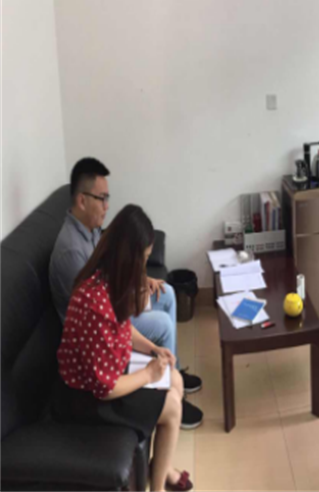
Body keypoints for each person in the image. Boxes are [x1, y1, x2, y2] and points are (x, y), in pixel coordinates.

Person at [49, 158, 203, 429]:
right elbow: (97, 312)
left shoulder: (90, 231)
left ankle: (172, 370)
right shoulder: (72, 253)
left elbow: (113, 270)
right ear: (82, 200)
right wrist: (135, 286)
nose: (107, 206)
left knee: (166, 293)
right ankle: (167, 391)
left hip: (106, 317)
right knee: (163, 322)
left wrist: (142, 277)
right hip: (94, 335)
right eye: (102, 198)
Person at [54, 205, 193, 492]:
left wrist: (153, 349)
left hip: (109, 371)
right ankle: (158, 485)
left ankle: (162, 467)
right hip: (86, 398)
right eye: (143, 258)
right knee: (171, 407)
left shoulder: (107, 278)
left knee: (176, 380)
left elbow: (124, 327)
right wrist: (149, 375)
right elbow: (105, 388)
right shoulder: (93, 302)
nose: (144, 267)